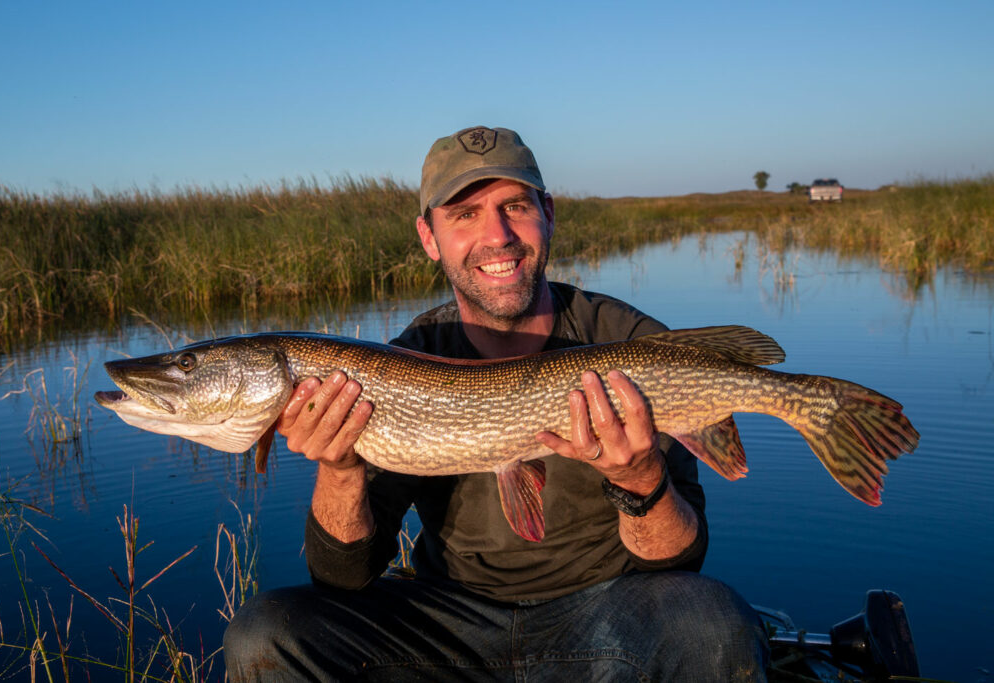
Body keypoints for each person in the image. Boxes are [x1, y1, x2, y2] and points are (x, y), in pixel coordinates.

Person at [224, 126, 768, 681]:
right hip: (448, 623)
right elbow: (343, 579)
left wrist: (640, 477)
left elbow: (680, 563)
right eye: (463, 214)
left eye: (515, 205)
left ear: (548, 214)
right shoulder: (404, 361)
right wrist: (339, 471)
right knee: (265, 632)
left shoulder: (629, 343)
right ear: (429, 237)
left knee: (712, 623)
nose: (497, 235)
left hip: (609, 615)